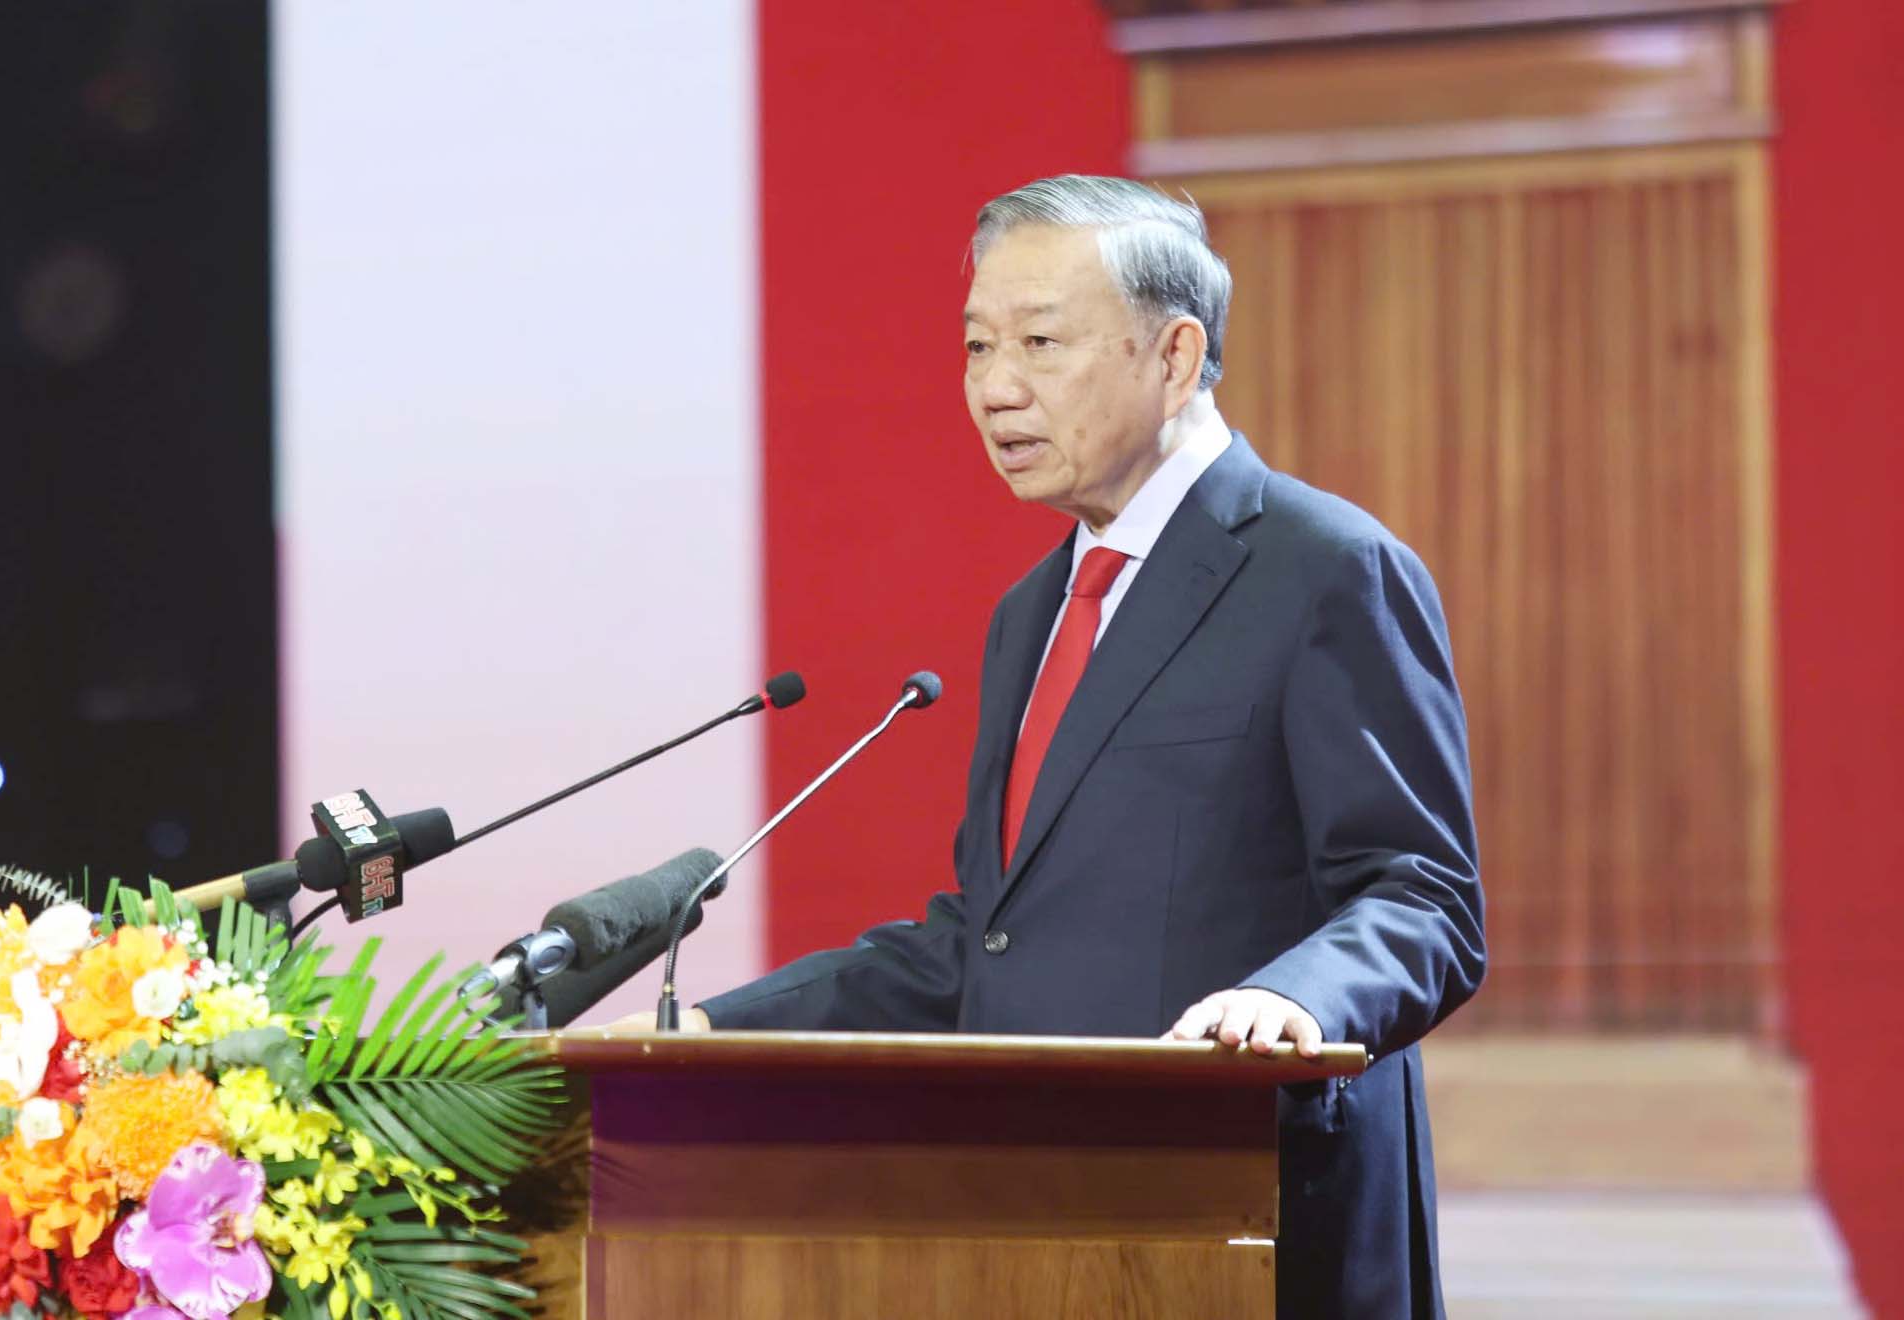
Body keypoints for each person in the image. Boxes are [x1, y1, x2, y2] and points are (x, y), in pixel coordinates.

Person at [616, 174, 1486, 1318]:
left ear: (1173, 359)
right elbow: (984, 941)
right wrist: (713, 1032)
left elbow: (1421, 896)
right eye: (976, 345)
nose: (992, 387)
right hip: (1039, 1230)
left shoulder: (1323, 568)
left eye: (1038, 342)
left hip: (1252, 1217)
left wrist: (1295, 1004)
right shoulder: (1032, 610)